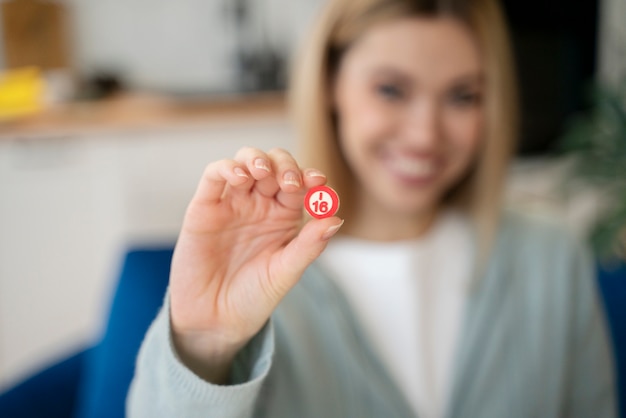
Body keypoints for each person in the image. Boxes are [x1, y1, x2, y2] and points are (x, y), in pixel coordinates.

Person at [127, 0, 616, 416]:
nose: (426, 134)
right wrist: (207, 345)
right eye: (391, 90)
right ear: (329, 85)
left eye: (463, 96)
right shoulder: (257, 278)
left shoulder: (553, 260)